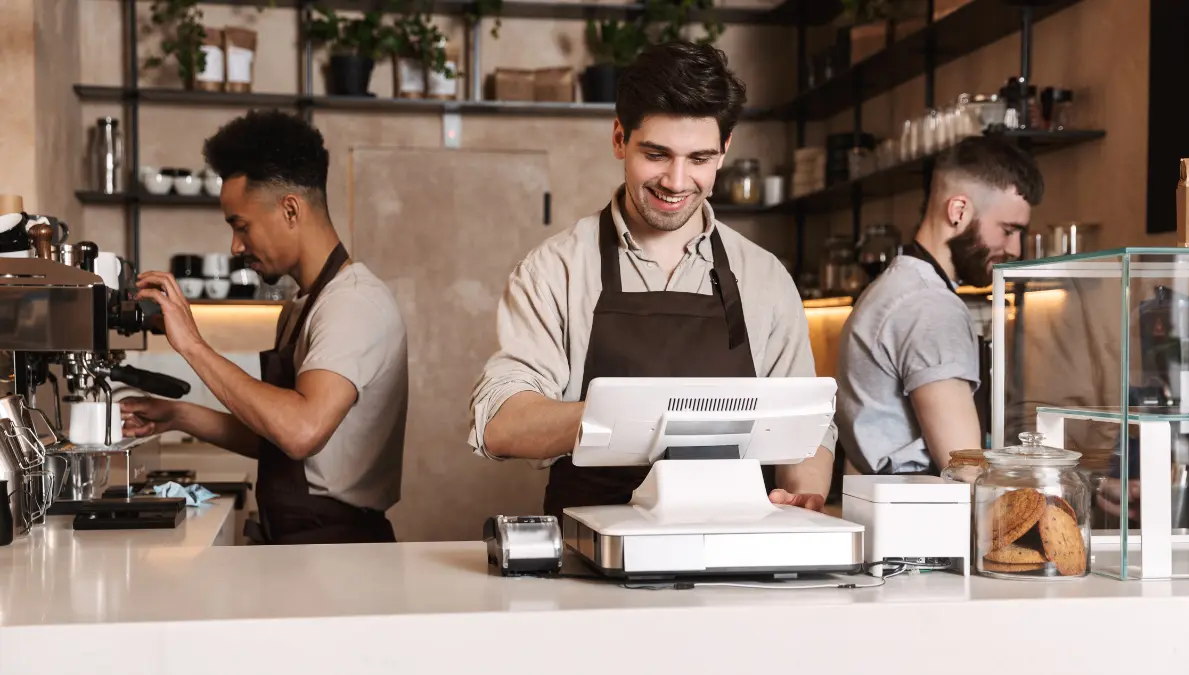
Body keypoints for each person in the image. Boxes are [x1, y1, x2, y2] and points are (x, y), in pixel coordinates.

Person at [467, 41, 835, 519]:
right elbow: (499, 420)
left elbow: (804, 429)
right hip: (591, 560)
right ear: (620, 138)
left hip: (732, 556)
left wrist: (802, 496)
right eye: (657, 154)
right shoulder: (555, 269)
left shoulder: (764, 277)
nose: (677, 181)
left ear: (724, 150)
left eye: (699, 158)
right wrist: (640, 417)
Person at [120, 110, 408, 545]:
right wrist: (177, 415)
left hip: (338, 551)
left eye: (241, 226)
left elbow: (300, 432)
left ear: (290, 209)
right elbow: (276, 438)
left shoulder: (352, 303)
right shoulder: (302, 306)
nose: (236, 246)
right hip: (300, 543)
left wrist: (193, 345)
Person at [836, 136, 1044, 476]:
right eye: (1008, 230)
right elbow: (964, 467)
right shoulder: (930, 306)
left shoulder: (893, 285)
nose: (1016, 248)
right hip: (922, 520)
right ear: (958, 211)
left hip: (887, 511)